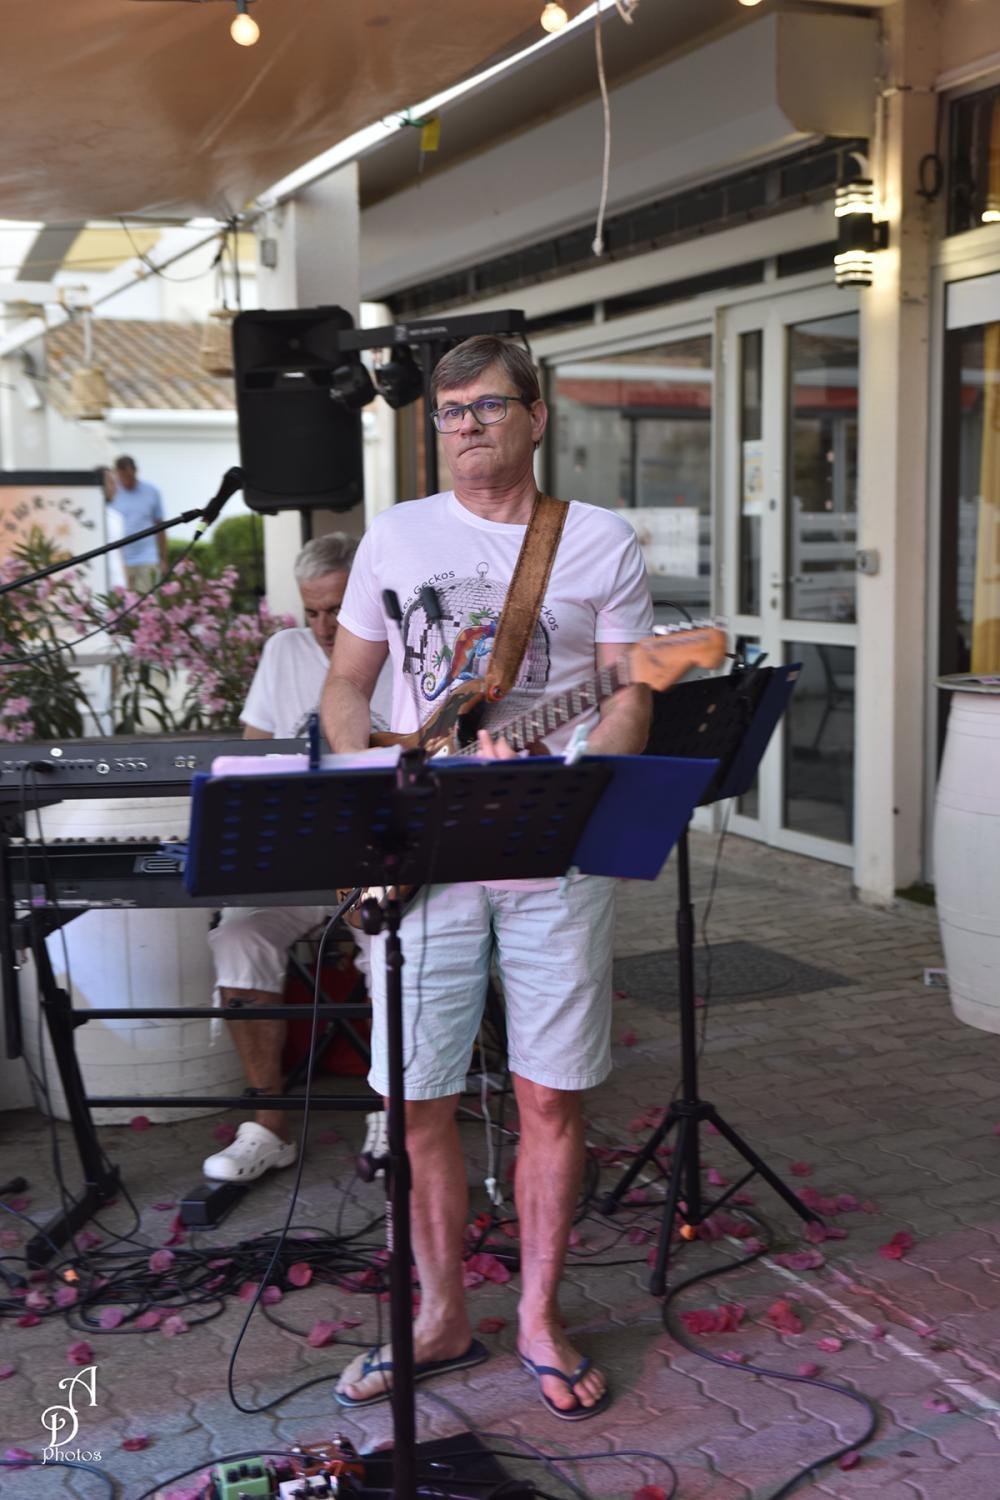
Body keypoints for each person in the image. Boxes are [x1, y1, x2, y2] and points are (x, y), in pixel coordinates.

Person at [321, 335, 653, 1420]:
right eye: (450, 410)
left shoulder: (597, 540)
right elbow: (347, 681)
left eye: (489, 406)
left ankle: (539, 1318)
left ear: (536, 416)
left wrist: (579, 775)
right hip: (422, 850)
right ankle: (442, 1317)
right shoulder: (396, 534)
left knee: (549, 1092)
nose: (466, 425)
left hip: (551, 850)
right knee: (416, 1097)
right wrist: (374, 782)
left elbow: (629, 690)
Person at [202, 532, 363, 1183]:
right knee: (236, 934)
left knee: (393, 941)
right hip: (300, 860)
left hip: (380, 866)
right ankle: (268, 1125)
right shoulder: (284, 651)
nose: (323, 627)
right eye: (313, 611)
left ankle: (397, 1115)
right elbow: (251, 761)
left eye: (338, 610)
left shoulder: (406, 652)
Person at [105, 455, 167, 593]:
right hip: (121, 560)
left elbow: (160, 527)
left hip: (147, 558)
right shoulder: (113, 493)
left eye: (129, 476)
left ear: (135, 471)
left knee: (147, 599)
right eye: (122, 477)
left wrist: (163, 559)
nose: (126, 481)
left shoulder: (152, 492)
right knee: (124, 601)